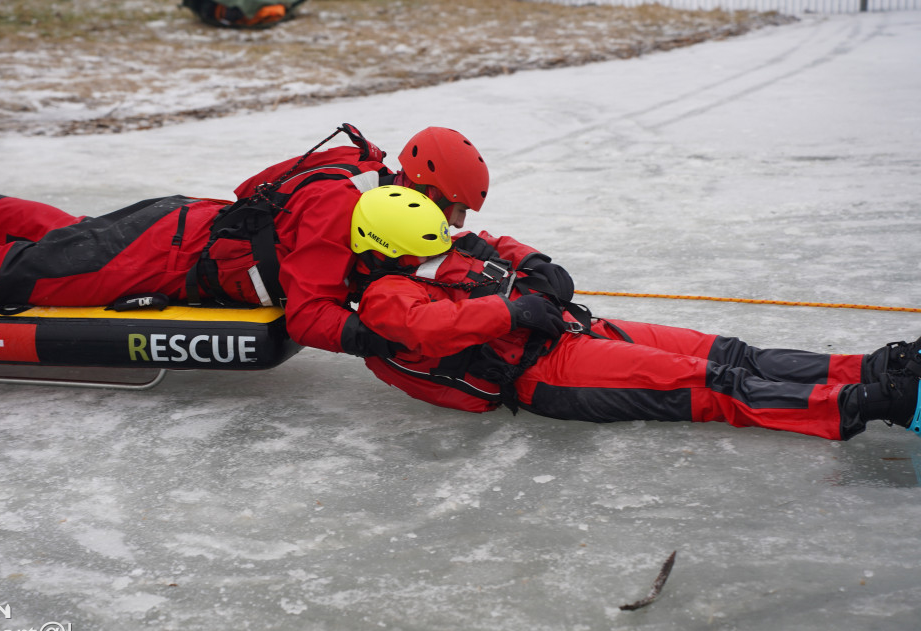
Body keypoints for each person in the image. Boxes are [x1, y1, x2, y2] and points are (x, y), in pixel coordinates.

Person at [0, 87, 567, 360]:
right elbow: (308, 317)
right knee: (10, 277)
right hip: (160, 258)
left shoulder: (372, 187)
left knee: (67, 238)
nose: (450, 222)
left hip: (175, 226)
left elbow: (437, 248)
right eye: (451, 209)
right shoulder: (343, 209)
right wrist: (386, 340)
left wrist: (515, 259)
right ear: (422, 188)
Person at [344, 186, 921, 441]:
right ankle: (867, 404)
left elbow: (485, 243)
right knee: (714, 384)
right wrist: (513, 313)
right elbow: (428, 328)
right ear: (388, 246)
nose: (445, 243)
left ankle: (867, 369)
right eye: (430, 243)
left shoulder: (432, 247)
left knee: (728, 352)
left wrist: (537, 264)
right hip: (546, 375)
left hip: (575, 331)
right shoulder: (385, 298)